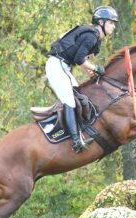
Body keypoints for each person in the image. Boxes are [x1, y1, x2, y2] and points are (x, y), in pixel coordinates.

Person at [45, 6, 118, 153]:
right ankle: (76, 141)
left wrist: (91, 72)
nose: (113, 26)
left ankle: (79, 132)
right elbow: (79, 60)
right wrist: (96, 68)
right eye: (111, 22)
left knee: (79, 97)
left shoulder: (94, 37)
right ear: (101, 22)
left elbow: (80, 60)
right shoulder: (91, 36)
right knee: (70, 100)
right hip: (57, 64)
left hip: (63, 66)